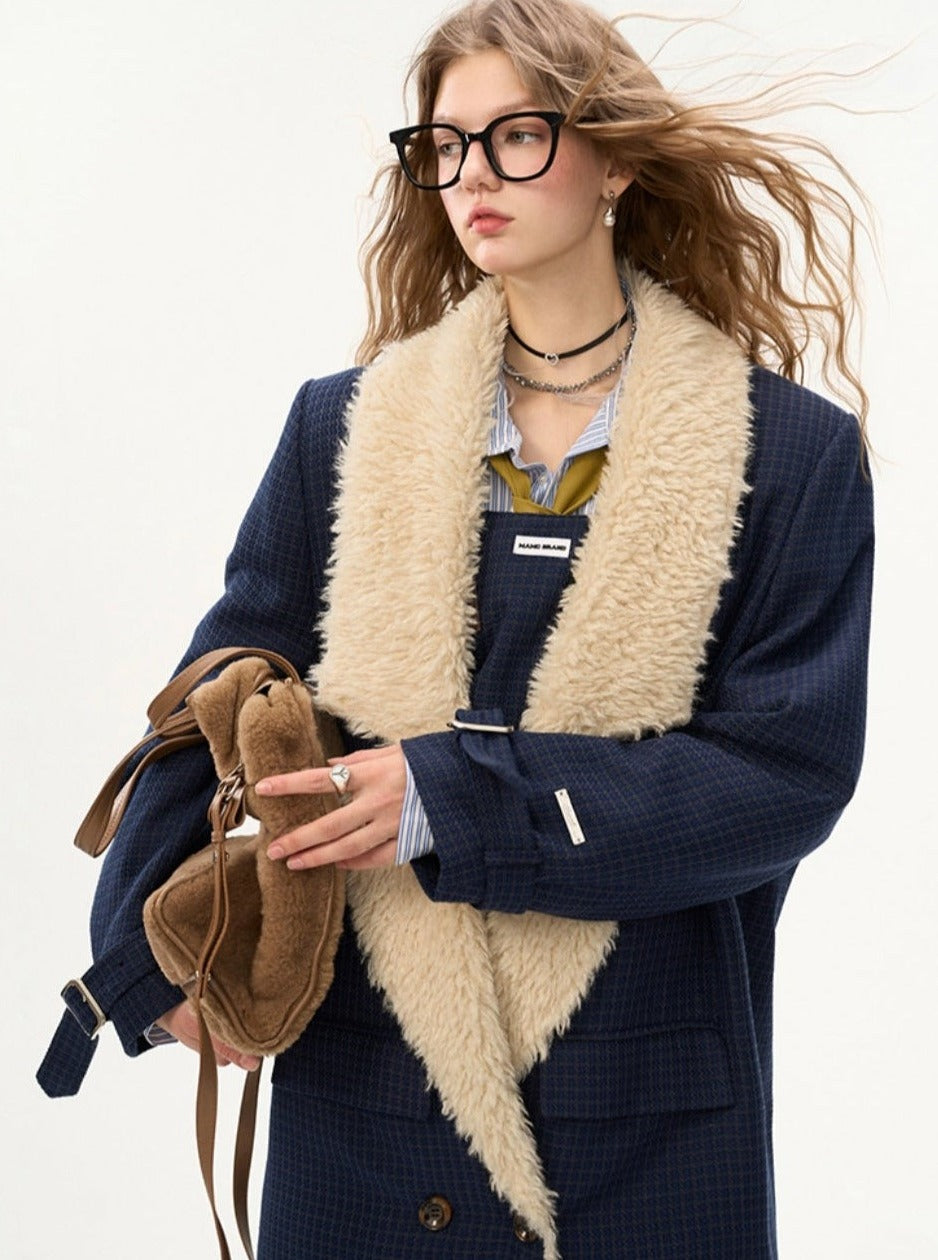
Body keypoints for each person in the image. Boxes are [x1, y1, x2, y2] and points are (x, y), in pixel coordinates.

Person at [38, 1, 874, 1256]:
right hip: (364, 1098)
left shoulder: (791, 455)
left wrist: (453, 797)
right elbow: (221, 689)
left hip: (640, 1119)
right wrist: (143, 965)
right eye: (442, 145)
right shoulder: (343, 427)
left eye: (515, 136)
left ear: (615, 160)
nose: (471, 174)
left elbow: (782, 778)